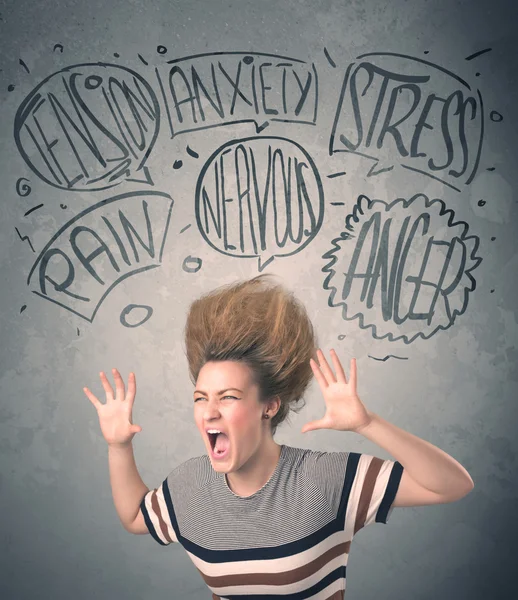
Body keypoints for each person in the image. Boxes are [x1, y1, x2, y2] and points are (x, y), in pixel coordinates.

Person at [84, 274, 474, 599]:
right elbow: (135, 516)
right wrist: (119, 446)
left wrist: (366, 423)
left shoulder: (326, 479)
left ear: (269, 405)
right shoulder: (190, 486)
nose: (210, 411)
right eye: (201, 398)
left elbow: (451, 486)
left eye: (229, 397)